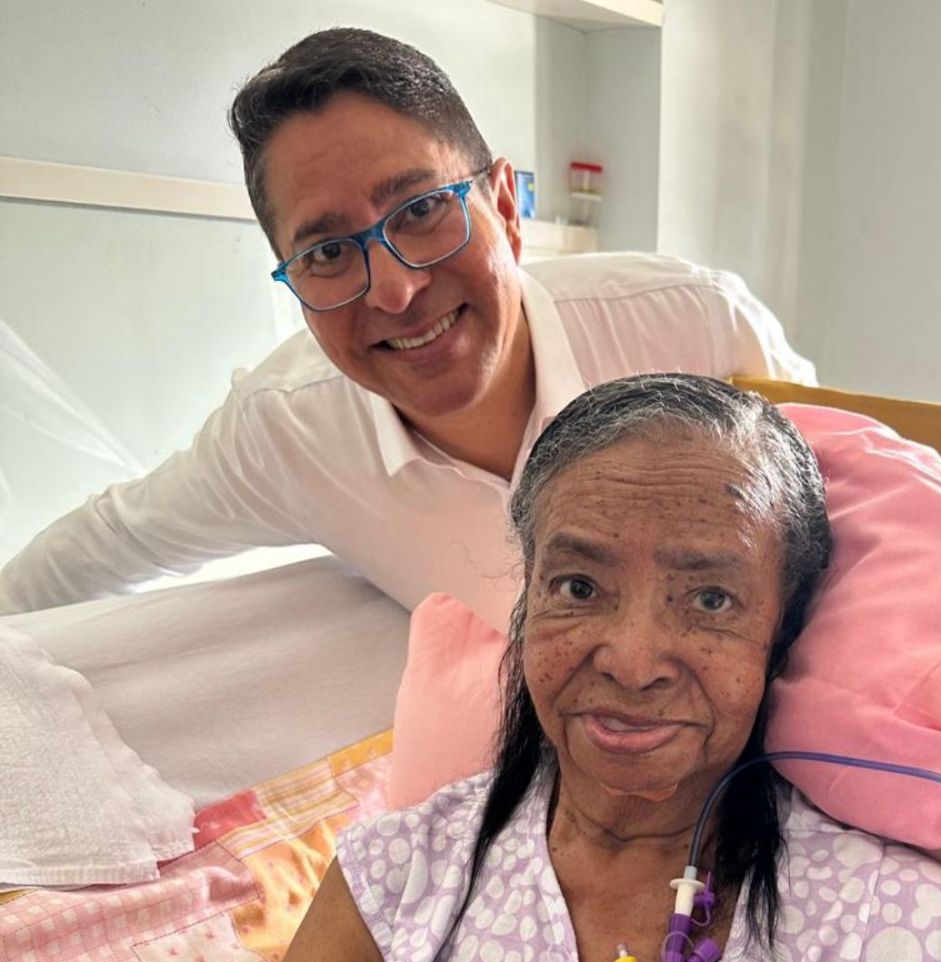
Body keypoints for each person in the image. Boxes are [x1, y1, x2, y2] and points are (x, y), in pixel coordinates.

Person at [131, 375, 941, 962]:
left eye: (710, 600)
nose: (633, 660)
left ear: (781, 634)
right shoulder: (402, 877)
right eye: (578, 587)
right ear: (527, 603)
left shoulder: (899, 933)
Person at [0, 28, 815, 626]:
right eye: (327, 253)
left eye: (422, 210)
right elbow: (99, 549)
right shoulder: (290, 429)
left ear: (505, 205)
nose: (394, 290)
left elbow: (849, 524)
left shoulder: (692, 326)